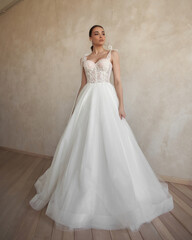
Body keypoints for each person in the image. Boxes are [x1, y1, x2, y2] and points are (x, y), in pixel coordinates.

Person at [29, 25, 174, 232]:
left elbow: (117, 80)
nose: (101, 36)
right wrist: (75, 107)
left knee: (112, 140)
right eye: (97, 33)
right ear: (90, 37)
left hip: (106, 99)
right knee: (85, 142)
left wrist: (121, 105)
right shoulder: (83, 59)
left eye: (103, 33)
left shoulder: (113, 54)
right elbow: (82, 84)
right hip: (87, 101)